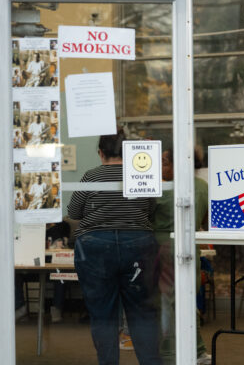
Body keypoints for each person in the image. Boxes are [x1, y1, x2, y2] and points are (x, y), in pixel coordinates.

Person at [68, 130, 161, 365]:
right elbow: (150, 210)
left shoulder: (91, 176)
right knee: (143, 313)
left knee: (103, 314)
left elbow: (73, 212)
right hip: (138, 243)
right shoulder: (140, 174)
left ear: (101, 153)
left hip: (95, 246)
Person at [153, 148, 211, 364]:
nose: (160, 167)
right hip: (191, 248)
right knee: (186, 303)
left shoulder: (162, 188)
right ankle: (198, 352)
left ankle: (168, 355)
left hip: (162, 249)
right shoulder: (203, 187)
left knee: (165, 305)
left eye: (164, 162)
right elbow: (205, 222)